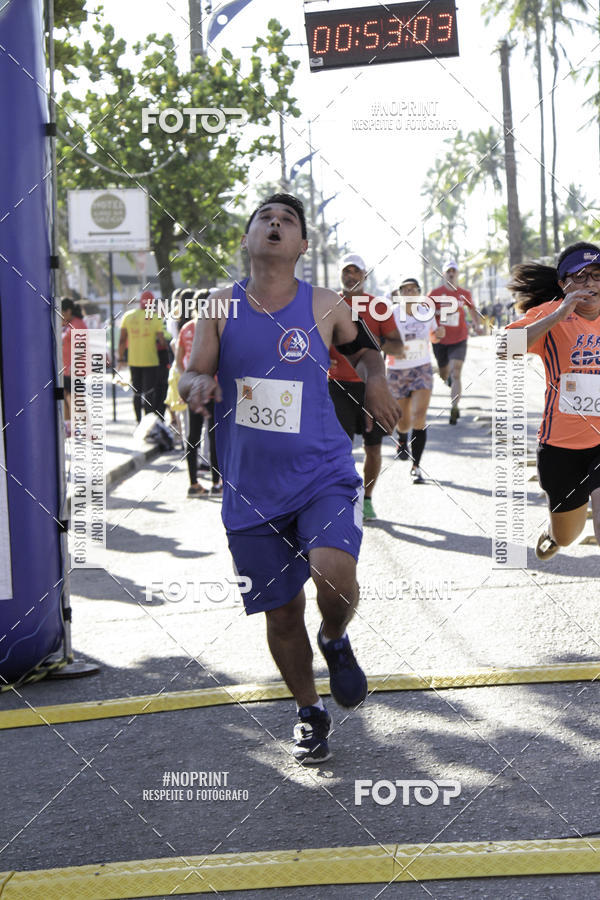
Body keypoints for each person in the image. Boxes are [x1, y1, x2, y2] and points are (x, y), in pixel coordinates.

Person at [180, 193, 398, 764]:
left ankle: (335, 638)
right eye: (265, 219)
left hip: (322, 469)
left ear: (302, 246)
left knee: (333, 575)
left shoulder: (325, 304)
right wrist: (195, 387)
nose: (275, 225)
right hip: (250, 486)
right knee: (280, 612)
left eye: (288, 221)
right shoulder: (219, 306)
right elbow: (193, 371)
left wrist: (374, 380)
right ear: (249, 239)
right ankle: (308, 712)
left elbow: (369, 352)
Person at [507, 241, 600, 559]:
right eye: (580, 276)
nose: (590, 283)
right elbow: (505, 348)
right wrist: (560, 314)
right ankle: (553, 534)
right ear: (563, 284)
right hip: (561, 448)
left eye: (597, 275)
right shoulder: (549, 314)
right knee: (567, 534)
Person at [328, 253, 405, 520]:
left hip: (372, 387)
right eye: (346, 272)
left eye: (356, 272)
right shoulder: (329, 304)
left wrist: (370, 343)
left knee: (373, 448)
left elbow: (398, 346)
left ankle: (368, 499)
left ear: (365, 275)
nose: (351, 276)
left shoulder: (379, 307)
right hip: (336, 385)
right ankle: (342, 498)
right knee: (340, 448)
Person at [387, 278, 445, 483]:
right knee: (403, 421)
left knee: (419, 415)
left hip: (421, 368)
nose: (410, 292)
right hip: (397, 370)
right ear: (400, 293)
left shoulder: (426, 313)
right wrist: (393, 349)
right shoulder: (390, 313)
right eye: (406, 289)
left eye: (414, 289)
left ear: (420, 292)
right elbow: (381, 340)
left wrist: (439, 334)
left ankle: (416, 466)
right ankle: (402, 438)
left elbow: (434, 337)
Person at [429, 259, 483, 424]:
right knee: (445, 373)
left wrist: (476, 323)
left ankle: (454, 407)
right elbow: (425, 312)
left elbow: (471, 308)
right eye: (448, 271)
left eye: (454, 271)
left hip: (459, 338)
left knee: (456, 372)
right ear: (444, 274)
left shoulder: (464, 293)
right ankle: (444, 375)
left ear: (457, 274)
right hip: (439, 340)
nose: (451, 274)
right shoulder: (434, 294)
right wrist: (439, 311)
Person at [118, 290, 167, 423]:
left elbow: (122, 340)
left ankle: (138, 422)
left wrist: (120, 358)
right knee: (149, 393)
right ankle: (148, 423)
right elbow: (162, 340)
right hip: (151, 361)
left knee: (136, 393)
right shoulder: (156, 317)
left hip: (134, 361)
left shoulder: (128, 316)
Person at [61, 297, 87, 437]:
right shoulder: (67, 323)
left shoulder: (78, 324)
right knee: (64, 396)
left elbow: (82, 347)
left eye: (62, 312)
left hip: (75, 369)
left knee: (77, 398)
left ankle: (89, 428)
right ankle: (68, 426)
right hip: (64, 369)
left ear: (69, 311)